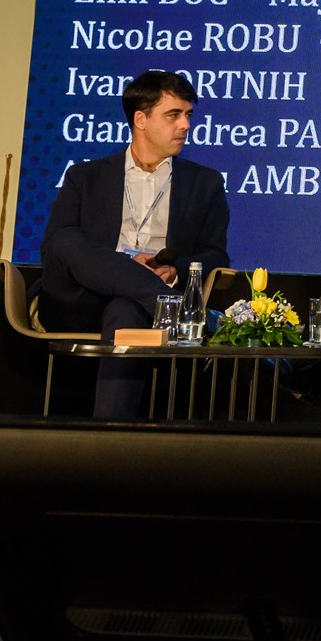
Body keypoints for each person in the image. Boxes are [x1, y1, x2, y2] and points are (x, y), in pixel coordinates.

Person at [37, 69, 230, 419]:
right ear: (140, 119)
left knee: (126, 312)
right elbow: (56, 250)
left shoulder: (205, 183)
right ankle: (182, 310)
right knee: (65, 239)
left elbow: (216, 255)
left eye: (188, 115)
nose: (185, 125)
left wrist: (175, 271)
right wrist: (126, 267)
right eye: (173, 115)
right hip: (82, 299)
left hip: (141, 309)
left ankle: (110, 441)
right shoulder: (84, 176)